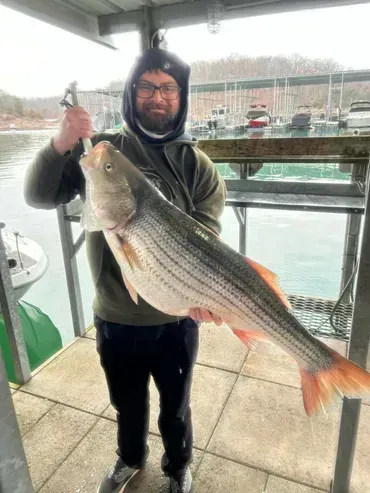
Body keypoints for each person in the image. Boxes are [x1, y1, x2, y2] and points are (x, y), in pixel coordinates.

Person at [23, 47, 226, 493]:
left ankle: (178, 466)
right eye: (147, 87)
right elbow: (38, 196)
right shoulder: (101, 156)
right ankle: (130, 459)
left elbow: (208, 246)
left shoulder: (200, 168)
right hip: (114, 316)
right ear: (132, 94)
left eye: (169, 88)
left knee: (175, 406)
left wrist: (211, 297)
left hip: (176, 320)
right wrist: (60, 143)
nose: (158, 97)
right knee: (126, 404)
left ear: (181, 97)